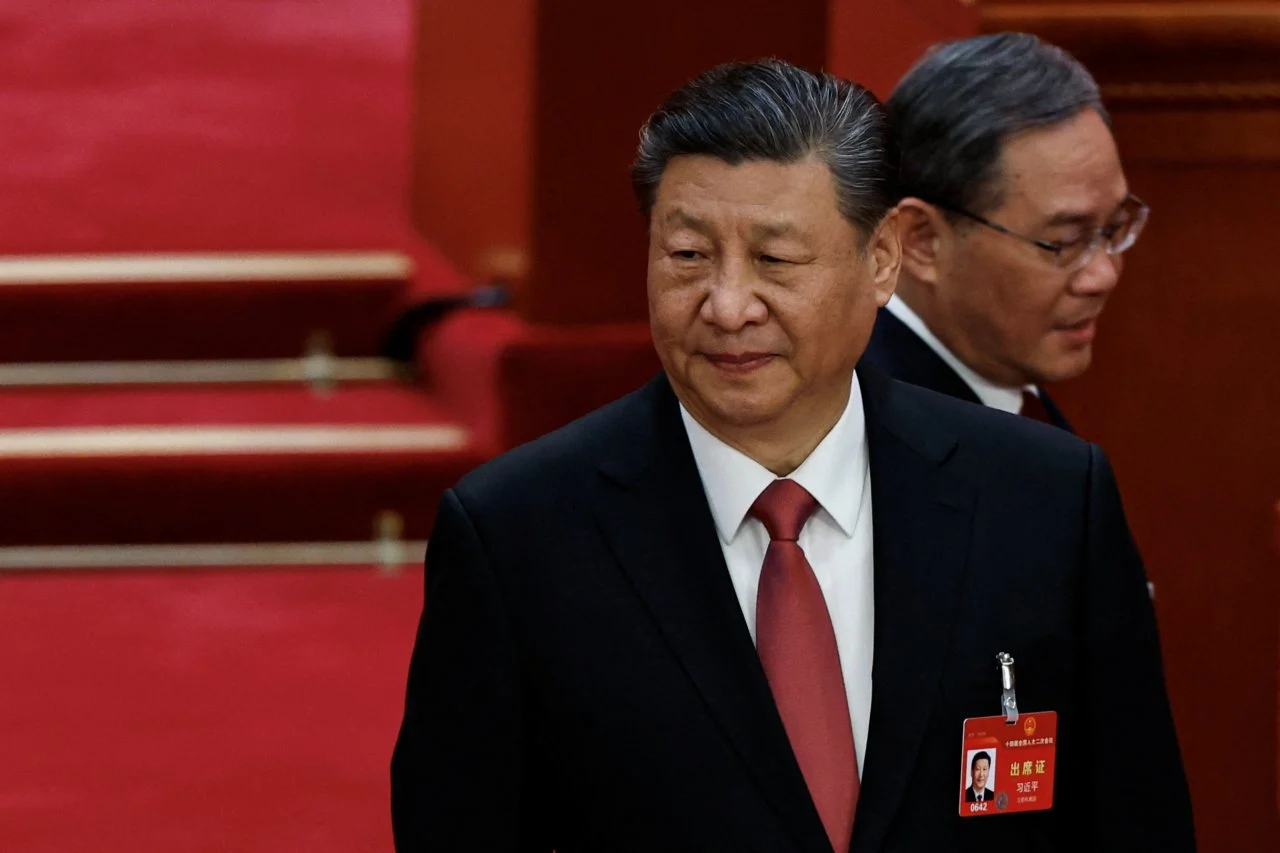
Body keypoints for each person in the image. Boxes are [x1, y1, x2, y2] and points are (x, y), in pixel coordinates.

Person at [391, 59, 1193, 852]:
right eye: (687, 256)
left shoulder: (1047, 501)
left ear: (880, 260)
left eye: (776, 260)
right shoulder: (519, 536)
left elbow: (1133, 817)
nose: (729, 304)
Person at [861, 32, 1150, 431]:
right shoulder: (866, 430)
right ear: (921, 240)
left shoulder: (1010, 397)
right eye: (1063, 242)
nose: (1104, 275)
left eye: (1114, 227)